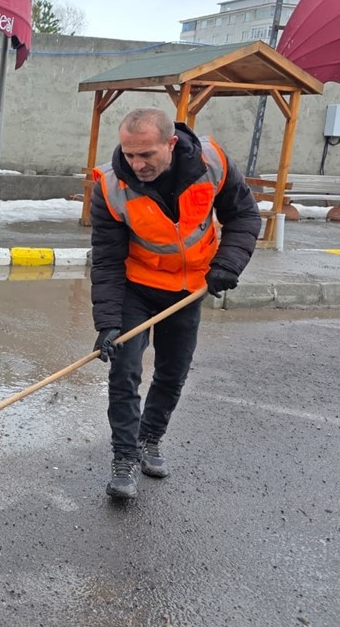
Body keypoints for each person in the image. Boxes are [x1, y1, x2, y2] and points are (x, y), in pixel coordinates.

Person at [90, 107, 260, 500]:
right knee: (125, 370)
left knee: (172, 372)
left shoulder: (211, 163)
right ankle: (124, 457)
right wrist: (108, 322)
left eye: (146, 154)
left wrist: (227, 264)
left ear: (170, 143)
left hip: (188, 288)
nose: (136, 163)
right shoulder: (111, 185)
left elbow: (245, 215)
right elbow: (107, 258)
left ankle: (151, 438)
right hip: (136, 285)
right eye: (129, 153)